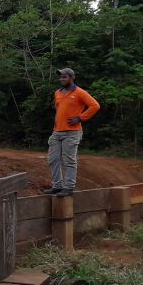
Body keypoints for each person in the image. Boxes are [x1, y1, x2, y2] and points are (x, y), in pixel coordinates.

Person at [42, 68, 100, 197]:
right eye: (61, 77)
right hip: (57, 132)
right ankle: (57, 185)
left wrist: (80, 118)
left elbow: (95, 105)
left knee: (69, 160)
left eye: (64, 77)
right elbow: (59, 110)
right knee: (53, 159)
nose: (62, 79)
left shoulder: (79, 92)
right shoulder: (57, 92)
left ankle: (68, 187)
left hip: (72, 132)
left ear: (71, 78)